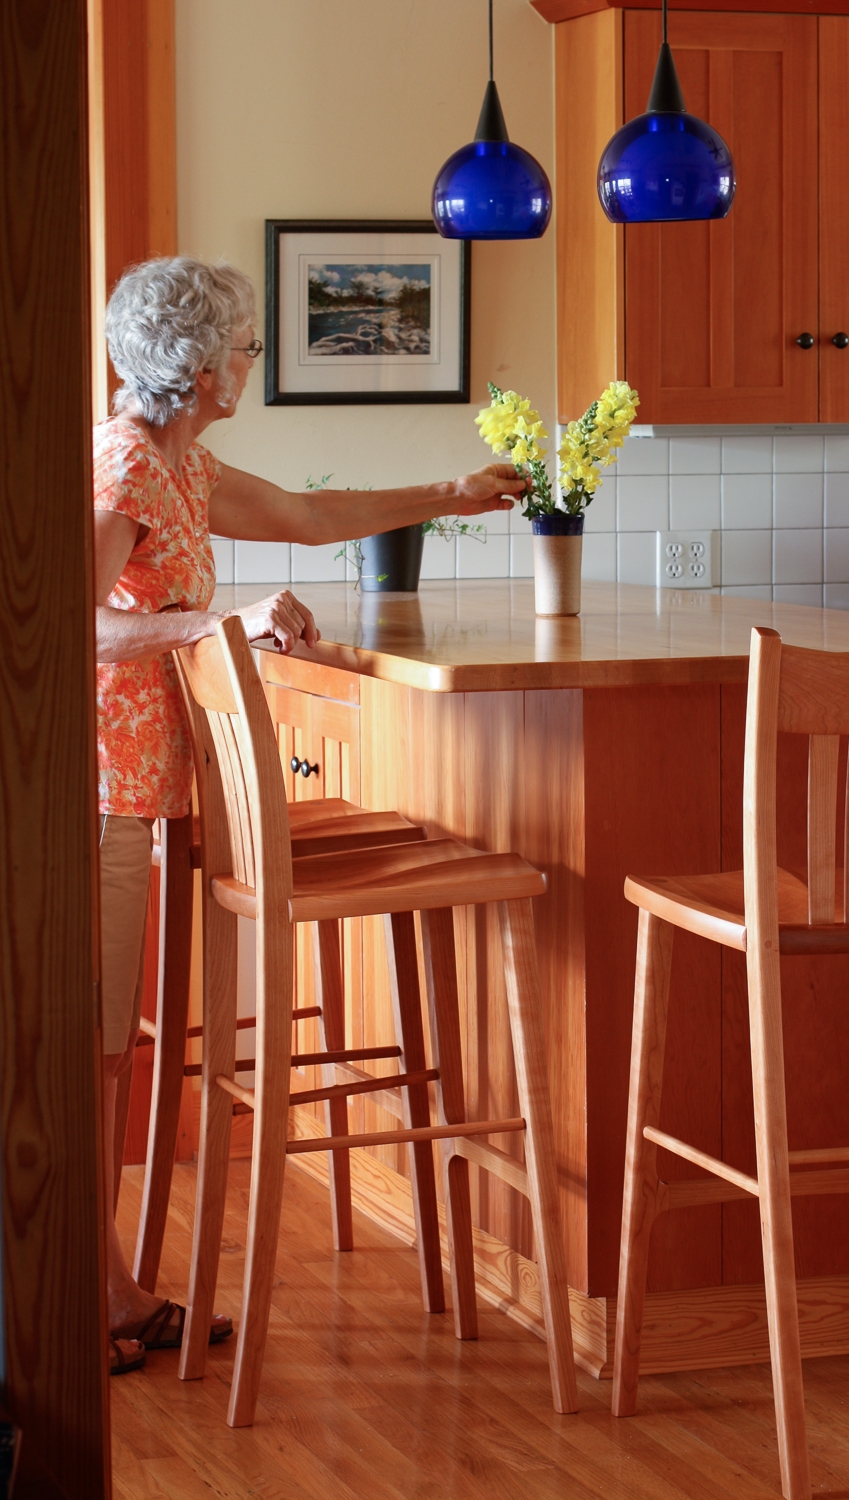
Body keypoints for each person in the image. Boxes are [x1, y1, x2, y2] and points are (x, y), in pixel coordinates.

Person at [95, 257, 524, 1374]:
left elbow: (304, 514)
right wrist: (212, 623)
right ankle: (82, 1299)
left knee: (101, 1050)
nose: (252, 360)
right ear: (200, 369)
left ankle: (102, 1290)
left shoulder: (180, 464)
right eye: (243, 346)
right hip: (94, 793)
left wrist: (454, 492)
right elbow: (78, 624)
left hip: (135, 791)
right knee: (89, 1053)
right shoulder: (126, 465)